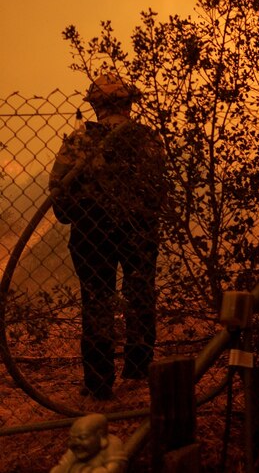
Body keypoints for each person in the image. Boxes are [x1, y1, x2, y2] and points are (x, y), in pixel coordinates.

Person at [49, 74, 167, 400]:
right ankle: (139, 367)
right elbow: (160, 190)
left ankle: (99, 382)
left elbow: (59, 191)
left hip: (91, 231)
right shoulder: (148, 140)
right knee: (140, 293)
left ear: (95, 105)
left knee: (97, 299)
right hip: (138, 229)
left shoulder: (78, 141)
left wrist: (76, 215)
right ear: (130, 103)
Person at [50, 413, 127, 473]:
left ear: (100, 435)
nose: (74, 443)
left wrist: (79, 469)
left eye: (82, 437)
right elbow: (61, 468)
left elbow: (114, 470)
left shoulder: (112, 444)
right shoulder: (75, 448)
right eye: (71, 438)